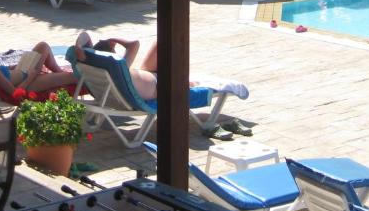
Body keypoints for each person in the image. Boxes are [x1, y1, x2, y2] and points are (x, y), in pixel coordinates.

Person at [71, 32, 251, 139]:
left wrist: (84, 50)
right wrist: (113, 39)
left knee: (163, 40)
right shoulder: (117, 66)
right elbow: (134, 44)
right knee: (174, 49)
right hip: (159, 87)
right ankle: (184, 81)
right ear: (111, 53)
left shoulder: (94, 66)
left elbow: (83, 38)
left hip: (142, 79)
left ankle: (183, 79)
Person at [0, 40, 75, 95]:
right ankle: (60, 72)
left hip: (22, 70)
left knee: (43, 46)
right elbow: (15, 93)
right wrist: (31, 76)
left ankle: (59, 71)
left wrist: (12, 68)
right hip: (27, 81)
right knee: (72, 76)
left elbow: (7, 76)